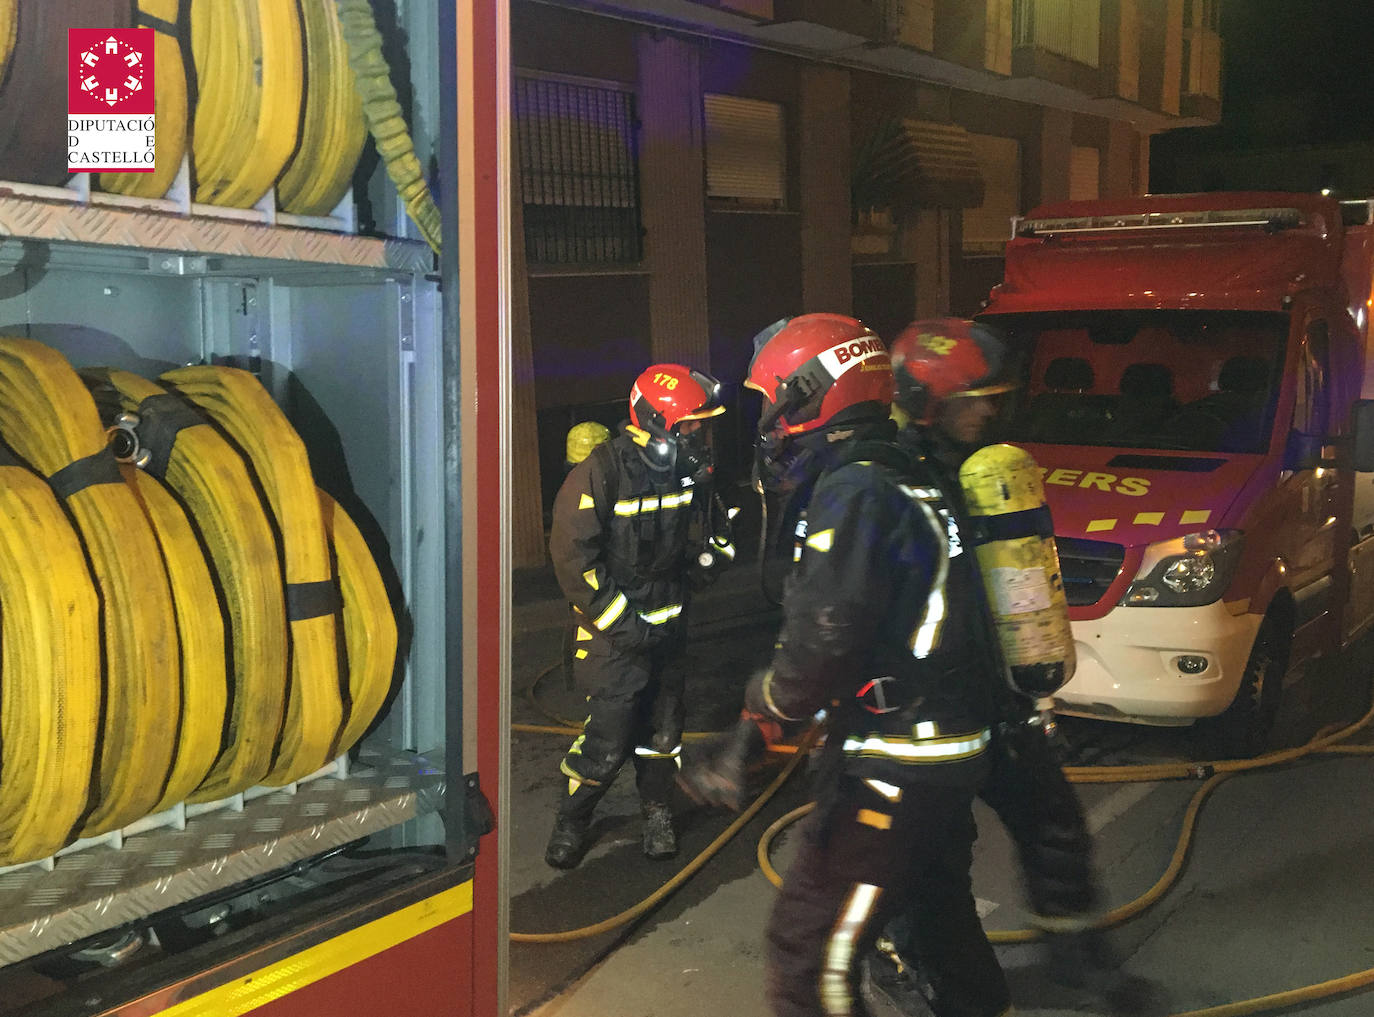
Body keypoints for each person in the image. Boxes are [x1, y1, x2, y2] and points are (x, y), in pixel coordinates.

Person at [680, 312, 1018, 1017]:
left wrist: (751, 729)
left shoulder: (855, 489)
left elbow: (820, 645)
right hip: (943, 749)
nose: (767, 423)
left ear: (812, 394)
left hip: (892, 765)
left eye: (774, 402)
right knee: (941, 914)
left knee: (812, 952)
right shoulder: (903, 467)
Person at [871, 318, 1158, 1014]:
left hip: (999, 696)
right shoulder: (886, 487)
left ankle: (1079, 956)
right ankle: (906, 958)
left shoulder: (988, 473)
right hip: (927, 714)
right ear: (928, 399)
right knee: (931, 861)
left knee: (1053, 822)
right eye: (973, 398)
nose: (988, 410)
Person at [545, 363, 726, 869]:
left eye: (701, 425)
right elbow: (574, 563)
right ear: (656, 420)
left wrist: (713, 556)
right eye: (690, 424)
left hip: (668, 632)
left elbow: (707, 538)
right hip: (614, 640)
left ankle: (657, 812)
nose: (698, 434)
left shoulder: (686, 472)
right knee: (607, 739)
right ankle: (573, 819)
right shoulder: (599, 474)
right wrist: (629, 627)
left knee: (663, 737)